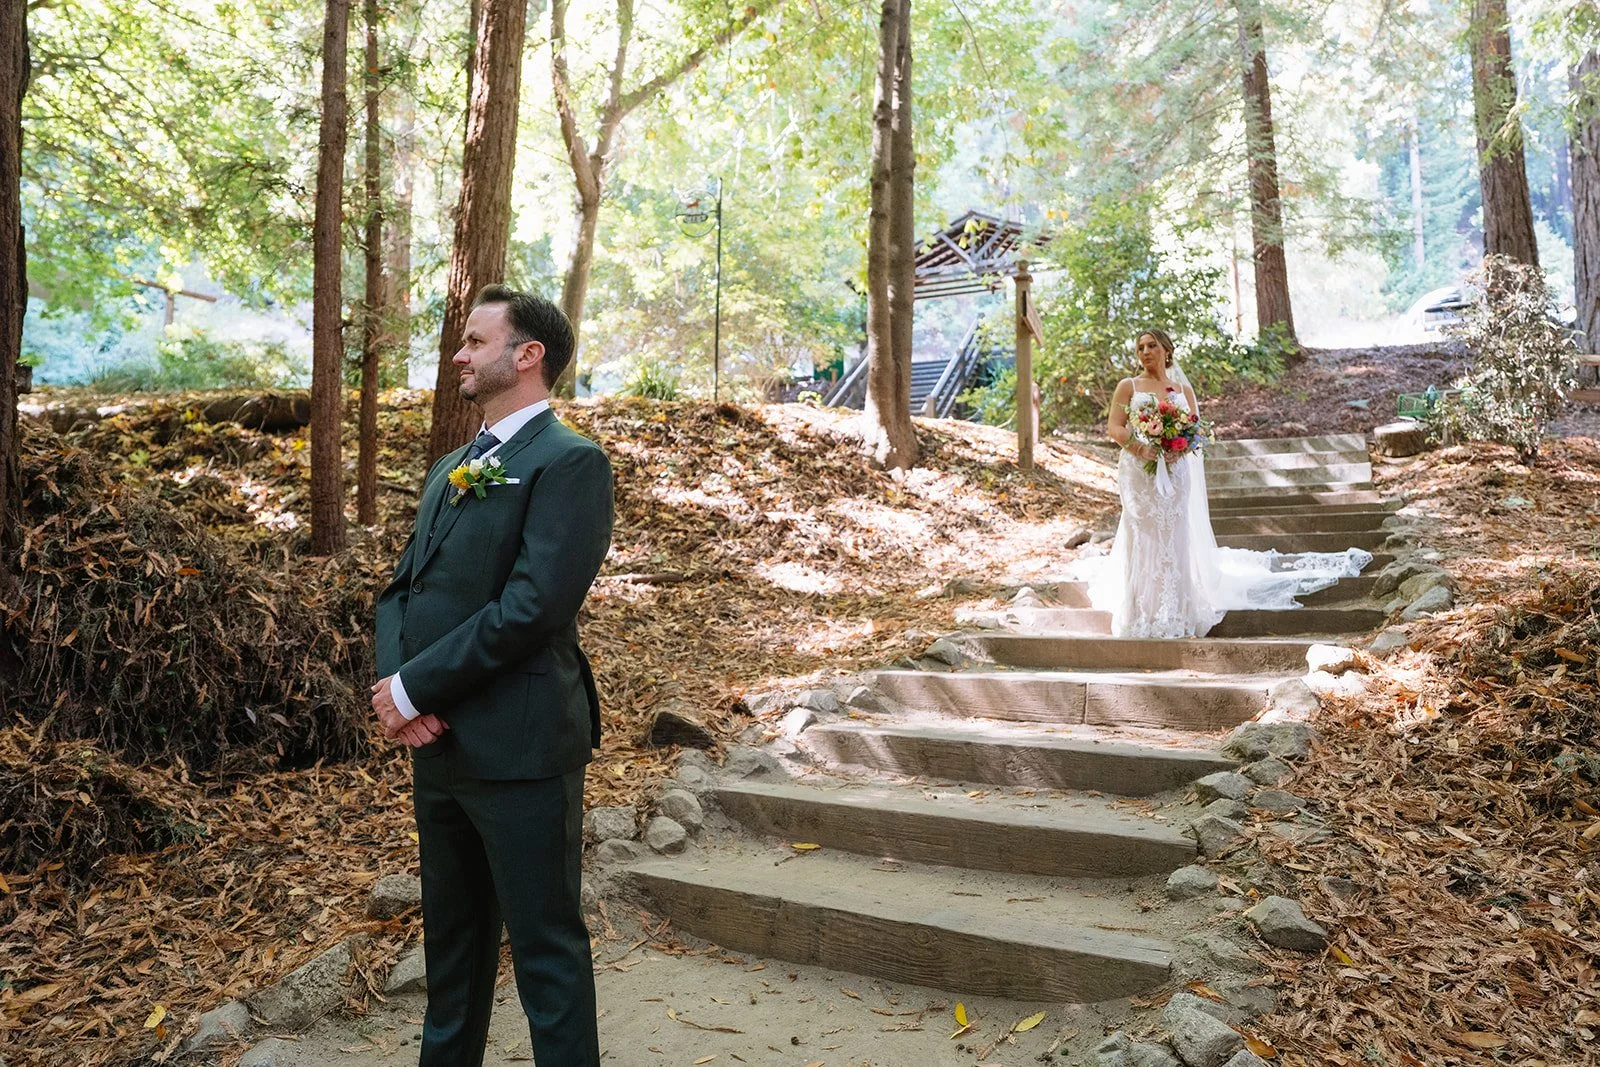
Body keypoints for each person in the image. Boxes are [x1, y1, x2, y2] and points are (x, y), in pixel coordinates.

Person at [373, 284, 612, 1067]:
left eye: (475, 341)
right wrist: (397, 695)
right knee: (453, 946)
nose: (459, 355)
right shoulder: (451, 466)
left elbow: (532, 606)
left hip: (523, 748)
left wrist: (416, 688)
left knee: (545, 950)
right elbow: (400, 590)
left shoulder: (570, 463)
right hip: (437, 748)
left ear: (527, 354)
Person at [1090, 328, 1369, 638]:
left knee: (1175, 533)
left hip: (1175, 469)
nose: (1145, 352)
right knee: (1144, 533)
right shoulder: (1128, 386)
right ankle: (1141, 612)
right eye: (1140, 347)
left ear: (1166, 349)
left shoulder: (1182, 391)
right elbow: (1115, 428)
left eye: (1152, 345)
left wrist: (1175, 446)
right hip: (1139, 470)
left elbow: (1193, 431)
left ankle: (1175, 611)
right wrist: (1144, 447)